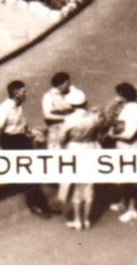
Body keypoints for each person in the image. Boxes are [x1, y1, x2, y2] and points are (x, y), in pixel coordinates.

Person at [0, 80, 52, 217]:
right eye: (23, 92)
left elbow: (22, 125)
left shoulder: (19, 106)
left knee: (34, 173)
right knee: (26, 176)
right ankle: (35, 207)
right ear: (15, 93)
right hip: (10, 142)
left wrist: (31, 134)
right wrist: (0, 151)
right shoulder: (4, 108)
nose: (26, 94)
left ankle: (43, 205)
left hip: (21, 140)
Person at [60, 90, 103, 230]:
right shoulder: (94, 117)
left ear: (72, 105)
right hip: (90, 149)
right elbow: (98, 133)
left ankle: (78, 220)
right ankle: (87, 220)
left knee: (76, 189)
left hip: (75, 150)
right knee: (89, 187)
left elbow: (62, 138)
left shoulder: (69, 119)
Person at [112, 82, 137, 223]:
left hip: (129, 146)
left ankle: (131, 210)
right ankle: (124, 203)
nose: (116, 97)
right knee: (124, 178)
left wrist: (113, 136)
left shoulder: (133, 109)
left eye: (118, 94)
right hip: (123, 146)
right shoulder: (127, 107)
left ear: (123, 95)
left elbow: (130, 133)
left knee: (129, 179)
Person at [41, 71, 81, 150]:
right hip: (55, 130)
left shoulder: (63, 96)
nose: (68, 87)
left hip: (66, 130)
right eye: (67, 84)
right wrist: (67, 118)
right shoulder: (48, 96)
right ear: (60, 84)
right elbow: (47, 115)